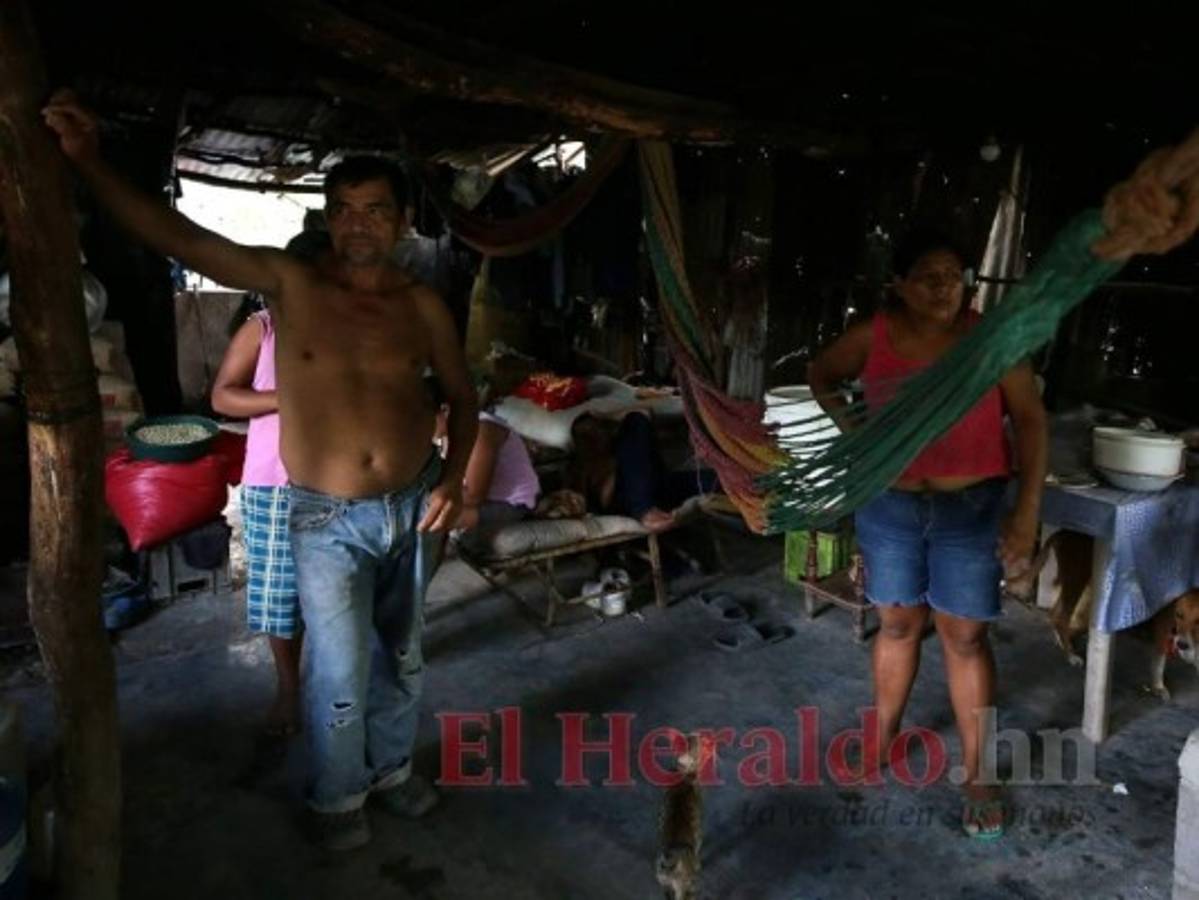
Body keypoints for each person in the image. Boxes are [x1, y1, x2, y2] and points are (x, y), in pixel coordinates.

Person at [43, 91, 479, 851]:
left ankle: (392, 770)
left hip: (414, 504)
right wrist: (89, 162)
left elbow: (464, 396)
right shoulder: (292, 286)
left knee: (402, 656)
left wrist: (453, 479)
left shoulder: (424, 306)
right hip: (326, 517)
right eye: (343, 209)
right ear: (326, 217)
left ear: (403, 221)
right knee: (336, 671)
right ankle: (337, 799)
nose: (358, 223)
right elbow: (179, 235)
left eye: (375, 209)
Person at [807, 227, 1047, 840]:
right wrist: (855, 432)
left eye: (955, 275)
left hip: (970, 508)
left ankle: (975, 771)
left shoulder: (991, 341)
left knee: (964, 637)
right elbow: (822, 374)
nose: (946, 288)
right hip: (891, 506)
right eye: (929, 276)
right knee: (896, 624)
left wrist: (1025, 514)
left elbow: (1029, 420)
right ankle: (883, 739)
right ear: (900, 286)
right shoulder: (874, 336)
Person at [212, 307, 301, 737]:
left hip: (339, 479)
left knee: (341, 591)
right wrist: (288, 397)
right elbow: (223, 396)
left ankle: (343, 687)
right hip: (275, 480)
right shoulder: (264, 326)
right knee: (281, 596)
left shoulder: (350, 319)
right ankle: (289, 689)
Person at [567, 409, 717, 532]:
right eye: (585, 434)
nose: (594, 435)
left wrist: (606, 415)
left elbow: (644, 412)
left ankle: (647, 509)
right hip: (631, 502)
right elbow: (588, 503)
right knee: (635, 419)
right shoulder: (580, 468)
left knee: (718, 479)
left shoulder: (622, 449)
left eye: (596, 429)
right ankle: (645, 511)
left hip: (657, 488)